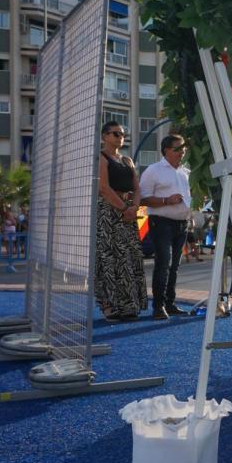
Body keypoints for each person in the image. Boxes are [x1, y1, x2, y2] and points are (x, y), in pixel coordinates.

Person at [95, 122, 147, 322]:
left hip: (129, 212)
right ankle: (109, 305)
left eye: (123, 134)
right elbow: (103, 188)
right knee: (108, 258)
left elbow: (137, 188)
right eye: (116, 134)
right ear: (105, 136)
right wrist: (124, 208)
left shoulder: (127, 160)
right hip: (109, 211)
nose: (120, 137)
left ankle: (128, 305)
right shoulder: (101, 158)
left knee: (128, 258)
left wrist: (134, 208)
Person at [140, 133, 191, 320]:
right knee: (163, 265)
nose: (182, 152)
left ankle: (170, 303)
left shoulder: (186, 172)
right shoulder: (153, 170)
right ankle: (158, 307)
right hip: (161, 223)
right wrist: (166, 200)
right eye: (178, 148)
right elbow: (142, 199)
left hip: (182, 224)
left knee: (174, 266)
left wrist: (190, 215)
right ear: (166, 150)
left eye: (183, 148)